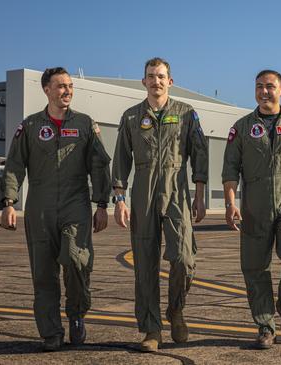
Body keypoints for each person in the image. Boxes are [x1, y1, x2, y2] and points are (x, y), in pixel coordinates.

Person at [0, 67, 111, 351]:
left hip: (75, 203)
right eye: (61, 86)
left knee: (77, 260)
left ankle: (76, 314)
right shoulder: (31, 126)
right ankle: (51, 332)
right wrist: (9, 203)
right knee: (43, 273)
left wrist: (101, 204)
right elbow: (14, 165)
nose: (67, 91)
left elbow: (99, 166)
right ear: (46, 89)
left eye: (70, 86)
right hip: (40, 208)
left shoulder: (85, 124)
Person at [112, 57, 208, 352]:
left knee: (184, 259)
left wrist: (200, 193)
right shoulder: (131, 117)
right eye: (151, 76)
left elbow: (200, 153)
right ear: (144, 81)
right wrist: (120, 199)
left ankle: (175, 310)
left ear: (170, 81)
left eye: (161, 76)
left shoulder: (186, 113)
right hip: (142, 190)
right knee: (145, 264)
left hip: (176, 189)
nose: (156, 81)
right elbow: (121, 160)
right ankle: (152, 329)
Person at [222, 69, 281, 349]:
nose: (264, 91)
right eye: (259, 87)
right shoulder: (241, 127)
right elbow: (230, 169)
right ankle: (265, 326)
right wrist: (230, 204)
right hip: (255, 205)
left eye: (270, 86)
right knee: (254, 268)